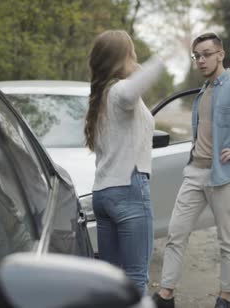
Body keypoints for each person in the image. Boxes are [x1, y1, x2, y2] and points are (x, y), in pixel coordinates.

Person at [152, 32, 230, 308]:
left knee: (227, 240)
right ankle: (166, 295)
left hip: (225, 176)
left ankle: (225, 298)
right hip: (194, 172)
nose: (201, 60)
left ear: (221, 54)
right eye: (197, 56)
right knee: (176, 233)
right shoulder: (203, 92)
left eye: (207, 54)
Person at [85, 29, 167, 295]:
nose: (136, 58)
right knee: (135, 279)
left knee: (112, 280)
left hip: (103, 195)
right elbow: (133, 90)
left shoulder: (102, 96)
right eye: (132, 53)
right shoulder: (121, 92)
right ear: (122, 58)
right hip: (128, 191)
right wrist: (166, 56)